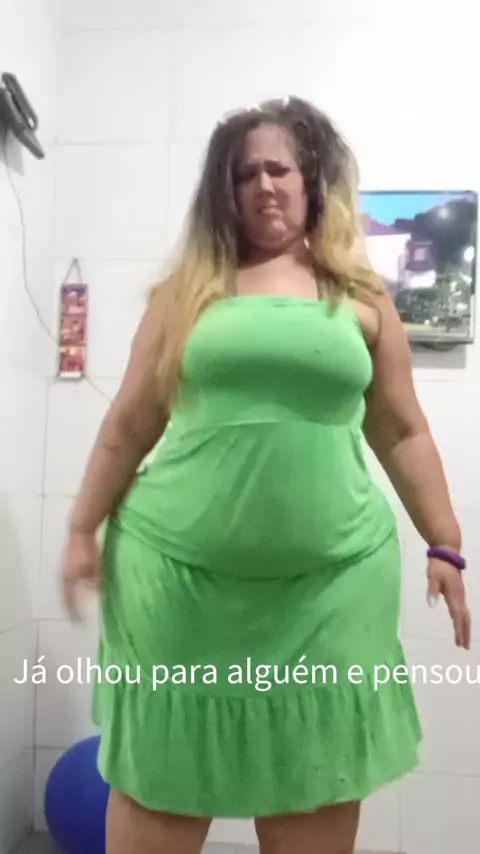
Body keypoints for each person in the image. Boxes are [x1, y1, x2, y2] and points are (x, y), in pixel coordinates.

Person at [61, 96, 471, 854]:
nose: (263, 186)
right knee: (163, 787)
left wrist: (445, 543)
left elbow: (403, 430)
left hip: (330, 593)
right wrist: (82, 527)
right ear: (225, 192)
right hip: (180, 587)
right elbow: (128, 423)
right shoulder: (187, 292)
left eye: (278, 169)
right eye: (244, 174)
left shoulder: (360, 294)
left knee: (312, 785)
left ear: (312, 178)